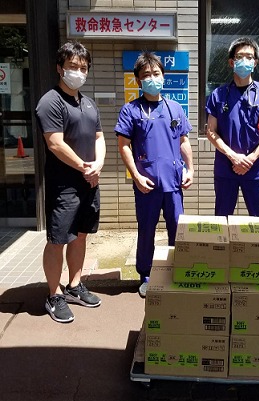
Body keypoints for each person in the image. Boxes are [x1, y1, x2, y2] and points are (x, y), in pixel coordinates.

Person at [35, 41, 106, 323]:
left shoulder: (88, 103)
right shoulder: (50, 102)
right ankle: (54, 294)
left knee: (81, 235)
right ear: (59, 68)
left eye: (83, 67)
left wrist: (98, 164)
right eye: (72, 66)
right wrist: (84, 167)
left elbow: (99, 137)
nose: (78, 72)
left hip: (89, 182)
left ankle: (75, 285)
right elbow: (55, 143)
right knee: (58, 240)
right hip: (63, 185)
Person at [114, 52, 194, 298]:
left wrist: (190, 169)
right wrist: (136, 177)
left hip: (173, 182)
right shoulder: (131, 110)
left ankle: (176, 271)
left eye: (156, 73)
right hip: (146, 183)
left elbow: (183, 141)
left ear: (163, 76)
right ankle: (146, 275)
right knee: (146, 230)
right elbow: (123, 146)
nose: (152, 78)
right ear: (138, 80)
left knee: (177, 230)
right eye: (146, 75)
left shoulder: (174, 108)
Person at [205, 37, 259, 217]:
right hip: (226, 167)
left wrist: (251, 158)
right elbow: (210, 131)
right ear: (231, 62)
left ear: (255, 63)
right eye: (239, 57)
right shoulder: (218, 95)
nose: (244, 61)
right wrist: (233, 156)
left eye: (249, 57)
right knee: (222, 218)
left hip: (257, 168)